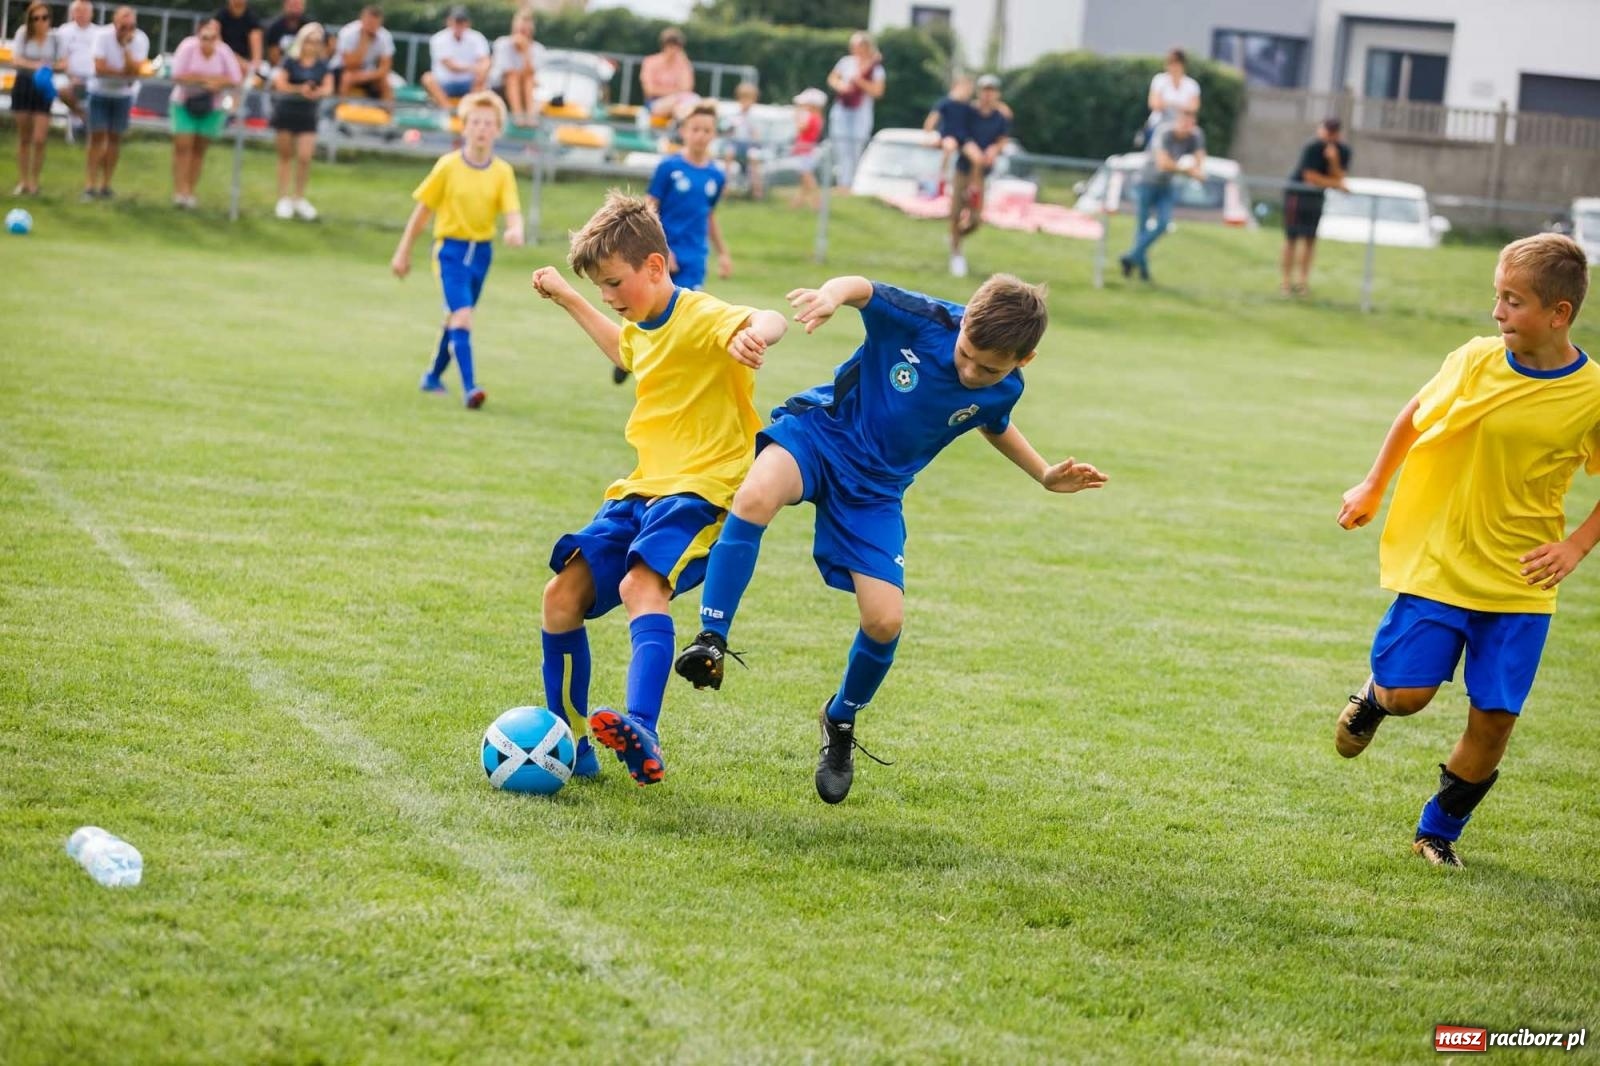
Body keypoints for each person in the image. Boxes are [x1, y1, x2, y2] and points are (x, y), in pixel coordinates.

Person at [674, 274, 1107, 804]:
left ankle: (840, 721)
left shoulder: (1005, 385)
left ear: (1024, 361)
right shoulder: (923, 320)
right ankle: (710, 638)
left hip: (876, 494)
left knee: (885, 621)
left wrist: (1043, 474)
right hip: (822, 434)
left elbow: (992, 422)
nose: (970, 371)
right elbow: (864, 288)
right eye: (966, 353)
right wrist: (832, 297)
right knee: (755, 495)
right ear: (964, 319)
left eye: (989, 368)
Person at [1333, 233, 1599, 869]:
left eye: (1513, 301)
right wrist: (1374, 484)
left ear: (1559, 313)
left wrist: (1575, 546)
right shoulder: (1476, 360)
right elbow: (1416, 414)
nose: (1497, 312)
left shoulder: (1592, 393)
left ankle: (1437, 831)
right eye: (1496, 297)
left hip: (1522, 580)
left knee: (1495, 720)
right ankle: (1376, 696)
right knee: (1408, 697)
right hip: (1444, 562)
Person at [528, 191, 789, 785]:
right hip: (641, 488)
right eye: (601, 289)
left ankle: (641, 725)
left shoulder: (699, 315)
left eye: (615, 284)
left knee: (641, 583)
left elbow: (762, 318)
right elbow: (625, 348)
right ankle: (568, 744)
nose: (611, 298)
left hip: (702, 487)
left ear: (655, 266)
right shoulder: (640, 323)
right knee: (559, 598)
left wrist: (759, 337)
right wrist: (570, 298)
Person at [390, 92, 523, 410]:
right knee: (462, 317)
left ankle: (432, 376)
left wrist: (515, 228)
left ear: (497, 130)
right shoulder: (447, 167)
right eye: (475, 122)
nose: (481, 129)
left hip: (482, 254)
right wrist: (403, 252)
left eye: (488, 123)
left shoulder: (502, 171)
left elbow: (512, 211)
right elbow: (422, 213)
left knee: (456, 318)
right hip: (450, 252)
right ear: (463, 127)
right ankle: (470, 388)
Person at [608, 100, 731, 388]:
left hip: (694, 258)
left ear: (714, 134)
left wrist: (723, 253)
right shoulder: (669, 167)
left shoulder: (716, 175)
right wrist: (663, 249)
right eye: (696, 129)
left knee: (686, 315)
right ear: (684, 131)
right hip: (660, 255)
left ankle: (672, 374)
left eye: (707, 130)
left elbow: (709, 215)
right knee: (647, 308)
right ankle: (627, 352)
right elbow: (649, 211)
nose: (701, 135)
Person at [1118, 107, 1205, 283]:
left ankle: (1130, 257)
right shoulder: (1164, 132)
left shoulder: (1195, 136)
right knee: (1142, 228)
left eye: (1191, 124)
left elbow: (1200, 161)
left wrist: (1195, 168)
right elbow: (1163, 163)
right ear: (1177, 121)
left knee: (1163, 224)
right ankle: (1143, 272)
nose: (1187, 128)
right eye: (1184, 123)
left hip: (1166, 185)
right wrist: (1187, 170)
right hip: (1146, 183)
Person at [168, 18, 243, 209]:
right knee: (183, 146)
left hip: (211, 106)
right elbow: (177, 74)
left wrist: (216, 82)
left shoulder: (224, 51)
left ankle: (190, 191)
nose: (209, 40)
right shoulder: (187, 47)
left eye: (213, 36)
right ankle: (179, 190)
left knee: (199, 149)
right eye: (205, 36)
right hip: (184, 102)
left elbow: (235, 78)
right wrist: (208, 79)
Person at [947, 73, 1010, 279]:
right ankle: (956, 252)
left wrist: (994, 149)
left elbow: (1002, 139)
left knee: (975, 218)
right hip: (964, 168)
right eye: (985, 90)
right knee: (956, 211)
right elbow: (958, 131)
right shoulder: (968, 111)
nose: (987, 94)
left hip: (981, 174)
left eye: (992, 90)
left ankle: (955, 237)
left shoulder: (1000, 117)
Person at [83, 6, 148, 201]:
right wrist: (125, 74)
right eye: (123, 26)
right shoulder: (102, 36)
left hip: (123, 95)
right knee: (97, 137)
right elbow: (100, 69)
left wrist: (126, 48)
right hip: (99, 92)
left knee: (114, 140)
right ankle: (89, 185)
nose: (127, 31)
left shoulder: (140, 40)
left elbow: (135, 72)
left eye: (131, 27)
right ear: (115, 23)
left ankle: (105, 185)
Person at [269, 21, 332, 221]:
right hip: (286, 112)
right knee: (285, 157)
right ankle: (283, 198)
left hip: (308, 115)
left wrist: (316, 92)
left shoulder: (322, 66)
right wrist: (300, 90)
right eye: (309, 41)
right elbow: (280, 83)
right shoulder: (290, 62)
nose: (312, 46)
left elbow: (329, 88)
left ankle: (299, 197)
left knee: (305, 157)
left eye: (316, 42)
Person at [1281, 117, 1350, 296]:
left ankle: (1302, 283)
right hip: (1297, 195)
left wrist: (1333, 160)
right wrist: (1335, 184)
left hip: (1316, 198)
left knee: (1310, 240)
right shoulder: (1312, 147)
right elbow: (1310, 177)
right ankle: (1286, 283)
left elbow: (1341, 176)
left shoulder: (1343, 150)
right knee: (1292, 239)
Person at [10, 2, 63, 197]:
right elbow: (16, 59)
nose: (41, 22)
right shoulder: (23, 34)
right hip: (24, 84)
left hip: (43, 86)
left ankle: (34, 181)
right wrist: (37, 65)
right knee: (24, 138)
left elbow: (64, 61)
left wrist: (49, 67)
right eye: (36, 18)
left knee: (39, 139)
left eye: (44, 17)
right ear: (30, 20)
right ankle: (23, 181)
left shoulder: (55, 39)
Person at [826, 31, 885, 189]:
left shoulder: (875, 68)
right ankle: (842, 183)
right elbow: (833, 78)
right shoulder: (846, 62)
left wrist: (859, 82)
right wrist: (842, 86)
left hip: (861, 111)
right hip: (843, 108)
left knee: (856, 147)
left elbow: (878, 91)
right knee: (840, 145)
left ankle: (852, 184)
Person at [421, 6, 489, 110]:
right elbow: (450, 66)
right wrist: (475, 68)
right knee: (428, 78)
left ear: (467, 23)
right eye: (456, 21)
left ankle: (471, 109)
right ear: (449, 22)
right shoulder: (438, 39)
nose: (458, 25)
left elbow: (485, 61)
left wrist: (482, 71)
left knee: (482, 78)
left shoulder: (477, 37)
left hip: (468, 82)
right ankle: (449, 110)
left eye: (461, 21)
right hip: (444, 83)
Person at [490, 8, 542, 127]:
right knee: (513, 77)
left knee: (528, 79)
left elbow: (531, 73)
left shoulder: (537, 49)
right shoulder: (502, 44)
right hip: (501, 87)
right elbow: (506, 72)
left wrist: (525, 52)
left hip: (526, 88)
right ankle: (518, 115)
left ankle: (530, 116)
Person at [923, 73, 973, 192]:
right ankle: (942, 178)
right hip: (949, 136)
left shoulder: (968, 106)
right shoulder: (946, 103)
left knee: (975, 157)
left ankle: (970, 184)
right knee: (949, 147)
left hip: (963, 139)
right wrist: (929, 135)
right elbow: (931, 120)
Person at [333, 4, 393, 102]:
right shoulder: (348, 33)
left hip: (368, 71)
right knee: (347, 78)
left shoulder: (385, 36)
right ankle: (341, 108)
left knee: (385, 82)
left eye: (375, 24)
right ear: (362, 19)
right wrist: (363, 43)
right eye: (369, 23)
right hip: (341, 69)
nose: (371, 27)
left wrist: (366, 76)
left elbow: (385, 68)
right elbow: (349, 65)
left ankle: (388, 113)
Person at [1140, 47, 1199, 147]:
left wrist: (1168, 103)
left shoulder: (1191, 84)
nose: (1172, 67)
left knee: (1197, 134)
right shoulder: (1159, 80)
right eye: (1170, 63)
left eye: (1175, 63)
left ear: (1182, 64)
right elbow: (1154, 104)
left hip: (1183, 125)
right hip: (1159, 123)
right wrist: (1180, 106)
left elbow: (1194, 107)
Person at [54, 0, 98, 127]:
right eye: (78, 11)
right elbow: (62, 58)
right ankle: (83, 117)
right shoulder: (64, 31)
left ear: (91, 14)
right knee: (63, 90)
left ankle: (85, 123)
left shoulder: (98, 33)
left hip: (94, 78)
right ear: (72, 13)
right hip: (69, 77)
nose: (81, 14)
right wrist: (72, 77)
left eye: (85, 11)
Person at [638, 26, 695, 124]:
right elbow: (650, 90)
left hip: (679, 103)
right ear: (664, 46)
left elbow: (687, 89)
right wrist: (677, 92)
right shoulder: (650, 62)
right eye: (671, 46)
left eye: (677, 46)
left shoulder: (683, 64)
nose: (673, 50)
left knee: (683, 104)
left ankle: (678, 128)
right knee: (683, 103)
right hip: (655, 103)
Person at [785, 86, 826, 210]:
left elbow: (801, 127)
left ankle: (817, 203)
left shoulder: (812, 118)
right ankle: (797, 203)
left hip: (805, 151)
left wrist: (797, 114)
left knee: (807, 178)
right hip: (806, 151)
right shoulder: (818, 118)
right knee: (805, 181)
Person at [722, 80, 763, 199]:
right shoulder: (734, 115)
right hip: (736, 143)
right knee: (728, 154)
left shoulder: (755, 117)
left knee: (754, 158)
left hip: (750, 145)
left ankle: (757, 191)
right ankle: (725, 188)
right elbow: (728, 131)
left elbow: (757, 136)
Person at [214, 0, 263, 84]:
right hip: (224, 63)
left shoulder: (252, 20)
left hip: (245, 64)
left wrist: (251, 67)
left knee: (256, 81)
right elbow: (219, 47)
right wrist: (239, 62)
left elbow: (256, 57)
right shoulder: (219, 17)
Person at [262, 0, 308, 67]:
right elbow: (274, 57)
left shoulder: (309, 26)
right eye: (293, 4)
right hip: (280, 68)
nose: (295, 8)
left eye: (298, 4)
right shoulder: (275, 27)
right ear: (285, 5)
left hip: (305, 68)